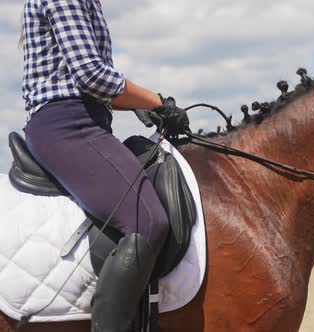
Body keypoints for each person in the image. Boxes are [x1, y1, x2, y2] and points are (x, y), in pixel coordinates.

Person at [20, 0, 189, 330]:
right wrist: (160, 102)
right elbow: (91, 75)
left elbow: (94, 84)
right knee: (147, 219)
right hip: (67, 126)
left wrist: (145, 108)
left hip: (88, 120)